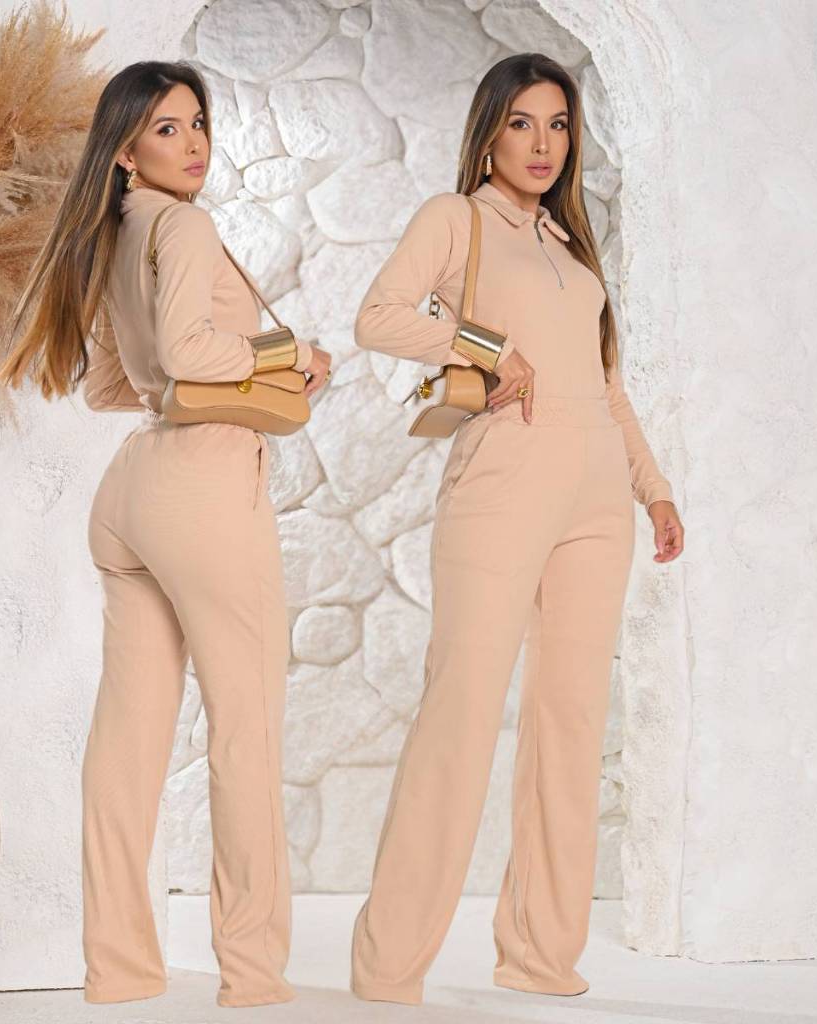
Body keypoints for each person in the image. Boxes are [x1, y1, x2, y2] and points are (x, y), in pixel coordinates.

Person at [349, 52, 685, 1005]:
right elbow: (377, 316)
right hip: (503, 476)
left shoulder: (572, 246)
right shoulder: (455, 219)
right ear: (490, 131)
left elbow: (607, 385)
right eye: (523, 123)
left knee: (571, 722)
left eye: (559, 124)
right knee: (461, 708)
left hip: (597, 495)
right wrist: (485, 347)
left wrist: (653, 490)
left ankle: (540, 955)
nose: (543, 143)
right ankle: (389, 964)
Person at [0, 60, 331, 1009]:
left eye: (198, 124)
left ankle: (119, 970)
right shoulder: (183, 226)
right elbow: (186, 353)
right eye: (167, 129)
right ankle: (252, 975)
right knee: (245, 729)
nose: (193, 146)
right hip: (202, 489)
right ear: (125, 151)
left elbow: (115, 386)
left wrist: (187, 376)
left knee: (128, 739)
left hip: (133, 492)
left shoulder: (113, 236)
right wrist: (292, 352)